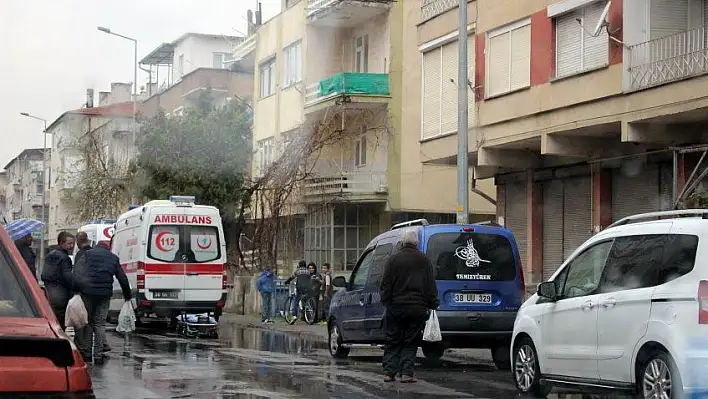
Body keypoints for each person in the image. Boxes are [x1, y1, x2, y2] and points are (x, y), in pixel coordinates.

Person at [379, 229, 439, 383]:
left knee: (392, 339)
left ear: (403, 242)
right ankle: (406, 373)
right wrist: (433, 304)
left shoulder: (393, 259)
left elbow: (385, 284)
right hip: (417, 308)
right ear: (416, 243)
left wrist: (387, 301)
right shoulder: (424, 260)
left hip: (396, 306)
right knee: (410, 341)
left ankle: (389, 373)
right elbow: (430, 285)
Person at [75, 237, 132, 364]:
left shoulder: (87, 255)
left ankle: (88, 354)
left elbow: (77, 273)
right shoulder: (113, 258)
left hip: (88, 293)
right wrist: (127, 295)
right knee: (100, 324)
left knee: (88, 322)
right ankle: (99, 354)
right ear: (108, 248)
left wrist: (76, 290)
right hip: (104, 295)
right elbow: (122, 277)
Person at [41, 232, 76, 329]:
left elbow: (44, 275)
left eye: (73, 243)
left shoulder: (50, 255)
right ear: (61, 243)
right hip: (61, 295)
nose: (72, 246)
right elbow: (68, 277)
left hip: (49, 294)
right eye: (69, 243)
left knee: (51, 323)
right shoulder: (65, 258)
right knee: (60, 324)